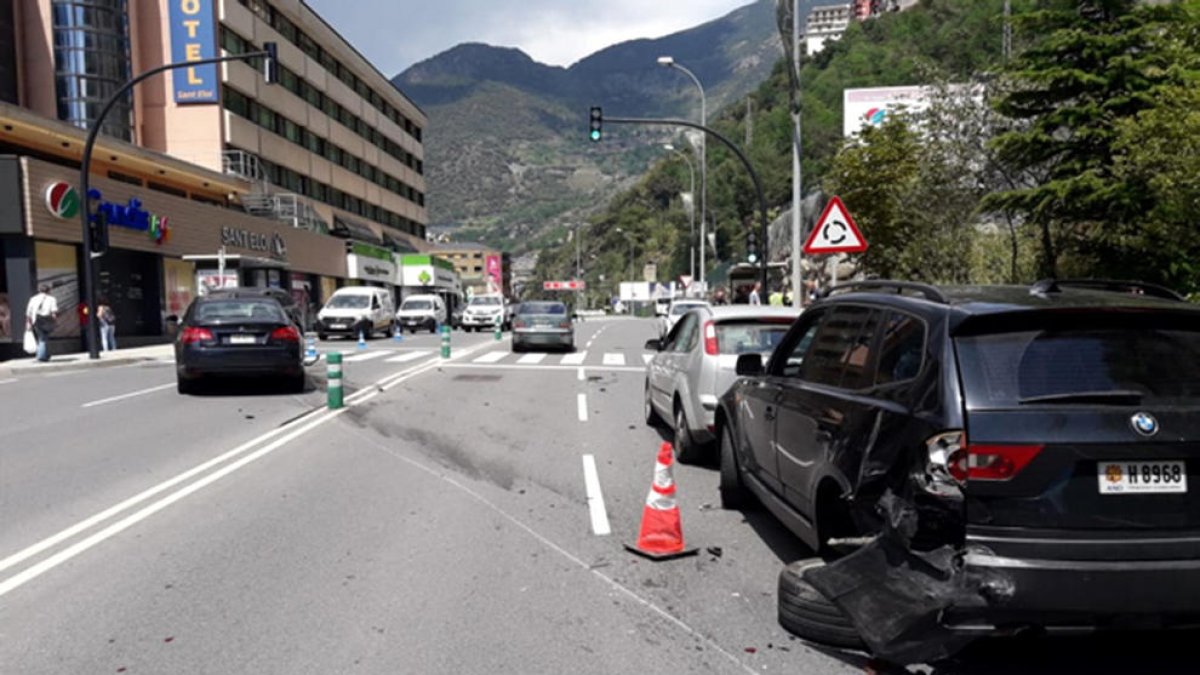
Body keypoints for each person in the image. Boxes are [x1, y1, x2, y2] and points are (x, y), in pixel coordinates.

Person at [25, 283, 59, 362]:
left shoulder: (33, 299)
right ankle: (41, 356)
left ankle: (45, 354)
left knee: (42, 337)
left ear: (39, 290)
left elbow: (28, 312)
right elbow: (54, 312)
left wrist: (28, 322)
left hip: (36, 320)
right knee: (43, 338)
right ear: (48, 290)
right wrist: (55, 321)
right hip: (47, 320)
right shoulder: (52, 299)